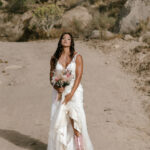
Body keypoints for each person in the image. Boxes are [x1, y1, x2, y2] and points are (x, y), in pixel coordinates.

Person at [47, 32, 94, 150]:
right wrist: (57, 87)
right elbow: (51, 77)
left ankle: (80, 147)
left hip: (75, 92)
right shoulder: (54, 58)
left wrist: (71, 94)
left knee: (76, 121)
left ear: (71, 42)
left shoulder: (77, 57)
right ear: (60, 41)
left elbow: (78, 76)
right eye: (63, 38)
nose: (66, 40)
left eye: (68, 38)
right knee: (60, 122)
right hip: (59, 93)